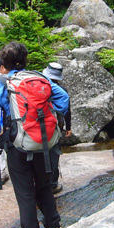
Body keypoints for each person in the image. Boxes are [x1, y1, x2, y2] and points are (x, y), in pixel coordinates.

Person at [0, 41, 69, 228]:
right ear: (26, 60)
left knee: (25, 192)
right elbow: (63, 100)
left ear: (4, 64)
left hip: (18, 143)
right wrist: (46, 116)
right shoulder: (41, 78)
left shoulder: (4, 81)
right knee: (44, 186)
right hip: (44, 141)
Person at [42, 62, 71, 194]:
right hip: (55, 127)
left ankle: (40, 183)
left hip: (39, 126)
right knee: (54, 154)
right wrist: (68, 127)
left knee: (40, 154)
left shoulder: (39, 88)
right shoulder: (62, 91)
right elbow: (67, 111)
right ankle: (53, 184)